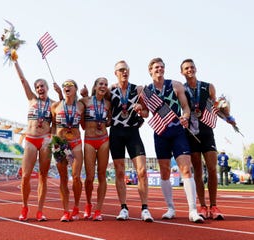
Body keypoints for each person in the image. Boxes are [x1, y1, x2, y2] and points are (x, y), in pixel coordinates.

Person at [145, 58, 203, 223]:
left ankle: (192, 210)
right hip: (160, 133)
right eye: (156, 67)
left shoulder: (175, 85)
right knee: (165, 172)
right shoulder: (147, 90)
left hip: (178, 131)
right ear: (150, 70)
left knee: (186, 169)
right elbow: (144, 111)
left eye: (162, 67)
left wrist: (185, 116)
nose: (160, 70)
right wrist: (139, 109)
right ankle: (170, 208)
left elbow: (185, 107)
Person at [180, 58, 235, 220]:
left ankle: (214, 205)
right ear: (182, 72)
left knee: (212, 168)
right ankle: (203, 206)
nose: (189, 70)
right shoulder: (181, 90)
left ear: (195, 68)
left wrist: (229, 116)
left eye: (191, 67)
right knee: (197, 170)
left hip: (207, 131)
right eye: (186, 68)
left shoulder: (208, 87)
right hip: (191, 133)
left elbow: (216, 107)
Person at [13, 60, 62, 221]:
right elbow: (22, 80)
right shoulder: (32, 100)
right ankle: (25, 206)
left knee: (43, 176)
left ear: (47, 88)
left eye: (43, 86)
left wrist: (61, 94)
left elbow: (64, 110)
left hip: (46, 140)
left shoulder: (54, 105)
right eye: (38, 86)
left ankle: (40, 211)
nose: (40, 88)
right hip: (31, 139)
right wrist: (15, 61)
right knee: (25, 176)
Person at [109, 60, 153, 222]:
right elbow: (103, 108)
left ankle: (145, 209)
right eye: (120, 70)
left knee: (141, 171)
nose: (124, 72)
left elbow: (147, 113)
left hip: (133, 132)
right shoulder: (110, 90)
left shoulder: (137, 90)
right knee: (120, 171)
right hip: (116, 132)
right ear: (116, 73)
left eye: (126, 70)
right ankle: (123, 208)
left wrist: (141, 110)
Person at [51, 79, 84, 222]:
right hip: (60, 144)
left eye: (70, 85)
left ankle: (76, 206)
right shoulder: (55, 106)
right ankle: (65, 211)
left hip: (75, 143)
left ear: (75, 89)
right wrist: (53, 142)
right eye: (64, 86)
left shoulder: (81, 106)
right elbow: (52, 125)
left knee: (76, 177)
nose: (66, 87)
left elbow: (83, 125)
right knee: (63, 178)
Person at [79, 77, 111, 221]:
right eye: (101, 84)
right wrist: (83, 95)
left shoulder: (109, 104)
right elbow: (74, 110)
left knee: (102, 175)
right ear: (95, 86)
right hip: (89, 140)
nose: (103, 86)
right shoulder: (85, 101)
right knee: (90, 177)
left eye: (106, 84)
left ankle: (98, 209)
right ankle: (88, 204)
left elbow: (109, 121)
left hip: (104, 139)